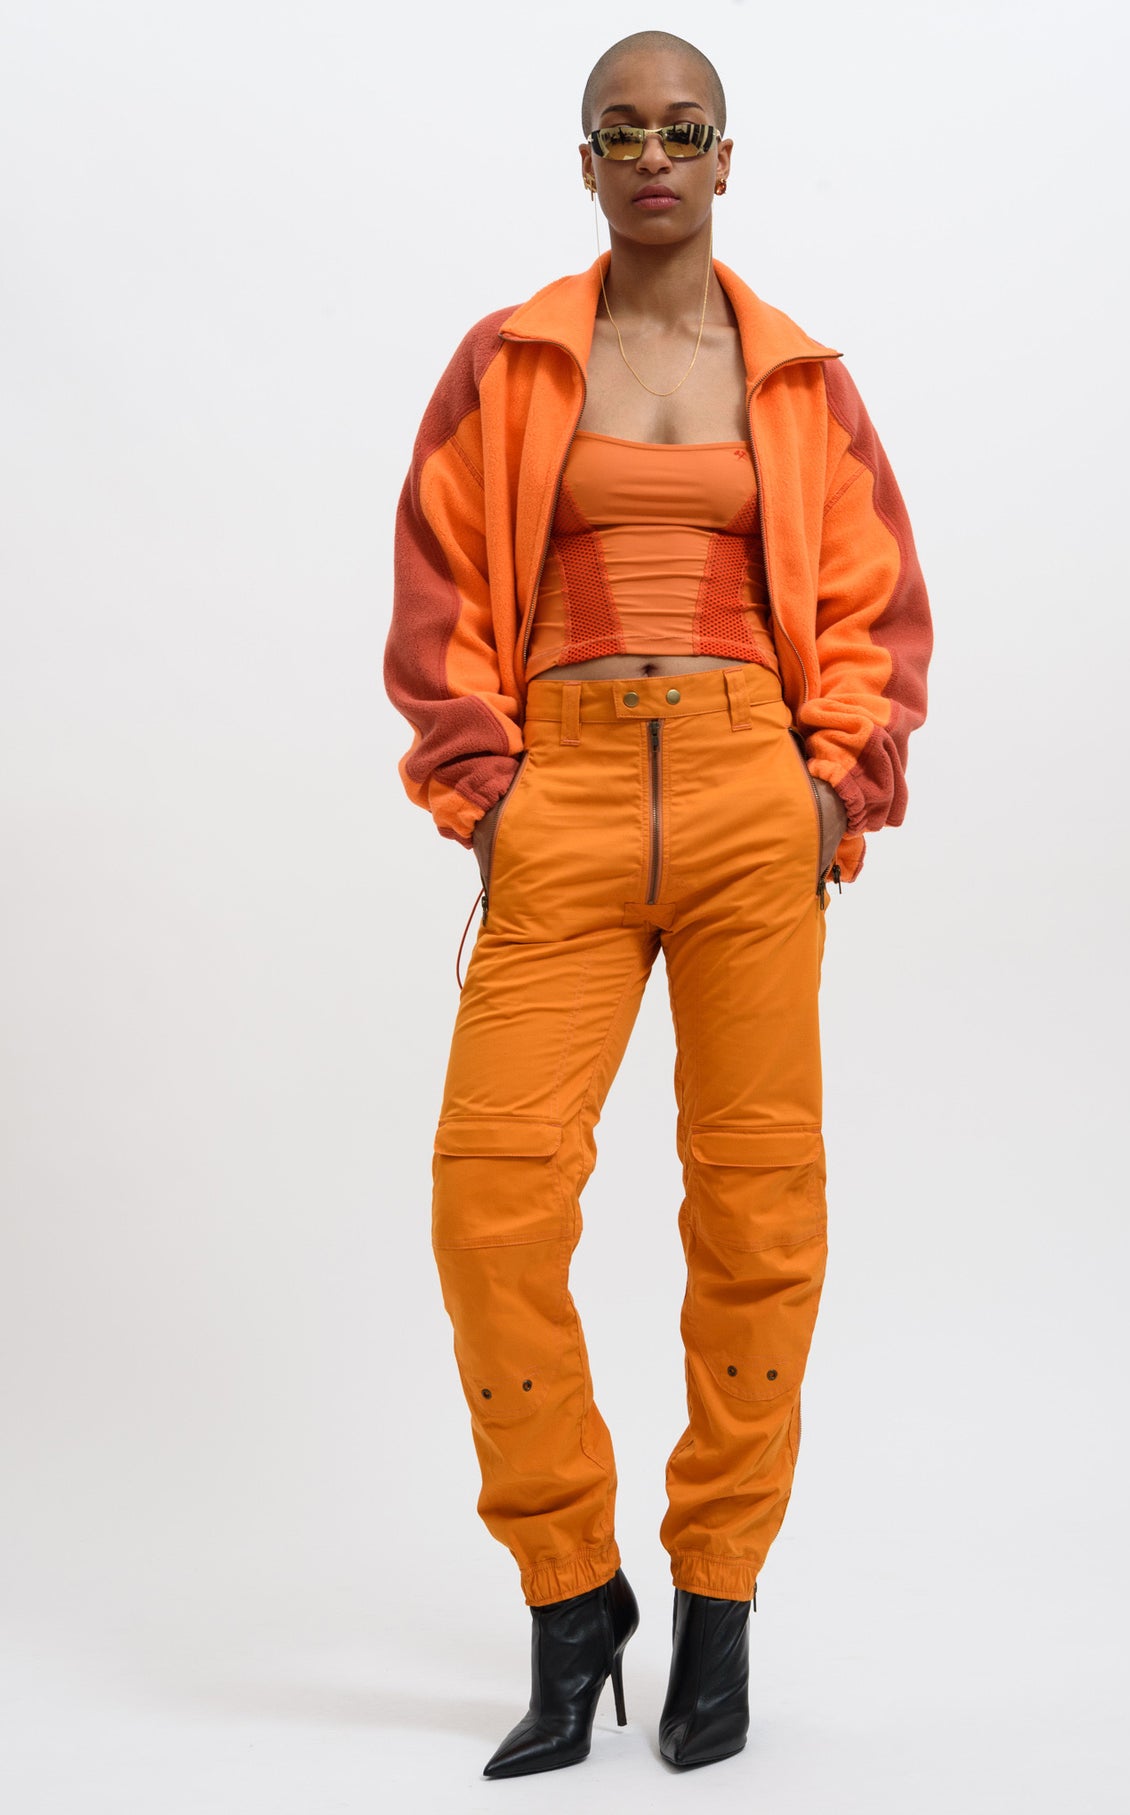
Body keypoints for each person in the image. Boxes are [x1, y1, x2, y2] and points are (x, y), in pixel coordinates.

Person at [383, 28, 933, 1778]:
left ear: (725, 156)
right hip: (561, 792)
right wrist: (489, 796)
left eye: (682, 130)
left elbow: (874, 605)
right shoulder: (515, 360)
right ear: (586, 161)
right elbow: (438, 583)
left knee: (758, 1217)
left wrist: (829, 788)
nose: (652, 156)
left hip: (747, 795)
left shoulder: (798, 382)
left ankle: (719, 1604)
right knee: (490, 1204)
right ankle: (572, 1597)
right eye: (621, 132)